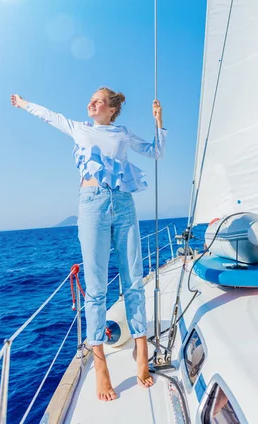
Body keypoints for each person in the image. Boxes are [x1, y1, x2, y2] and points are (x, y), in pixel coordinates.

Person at [10, 88, 167, 401]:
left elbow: (156, 152)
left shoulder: (122, 133)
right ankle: (100, 366)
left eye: (98, 101)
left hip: (123, 204)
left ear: (110, 109)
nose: (90, 103)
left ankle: (141, 350)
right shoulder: (79, 129)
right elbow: (49, 116)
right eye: (91, 100)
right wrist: (24, 103)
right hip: (92, 204)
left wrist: (158, 120)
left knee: (133, 282)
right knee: (96, 289)